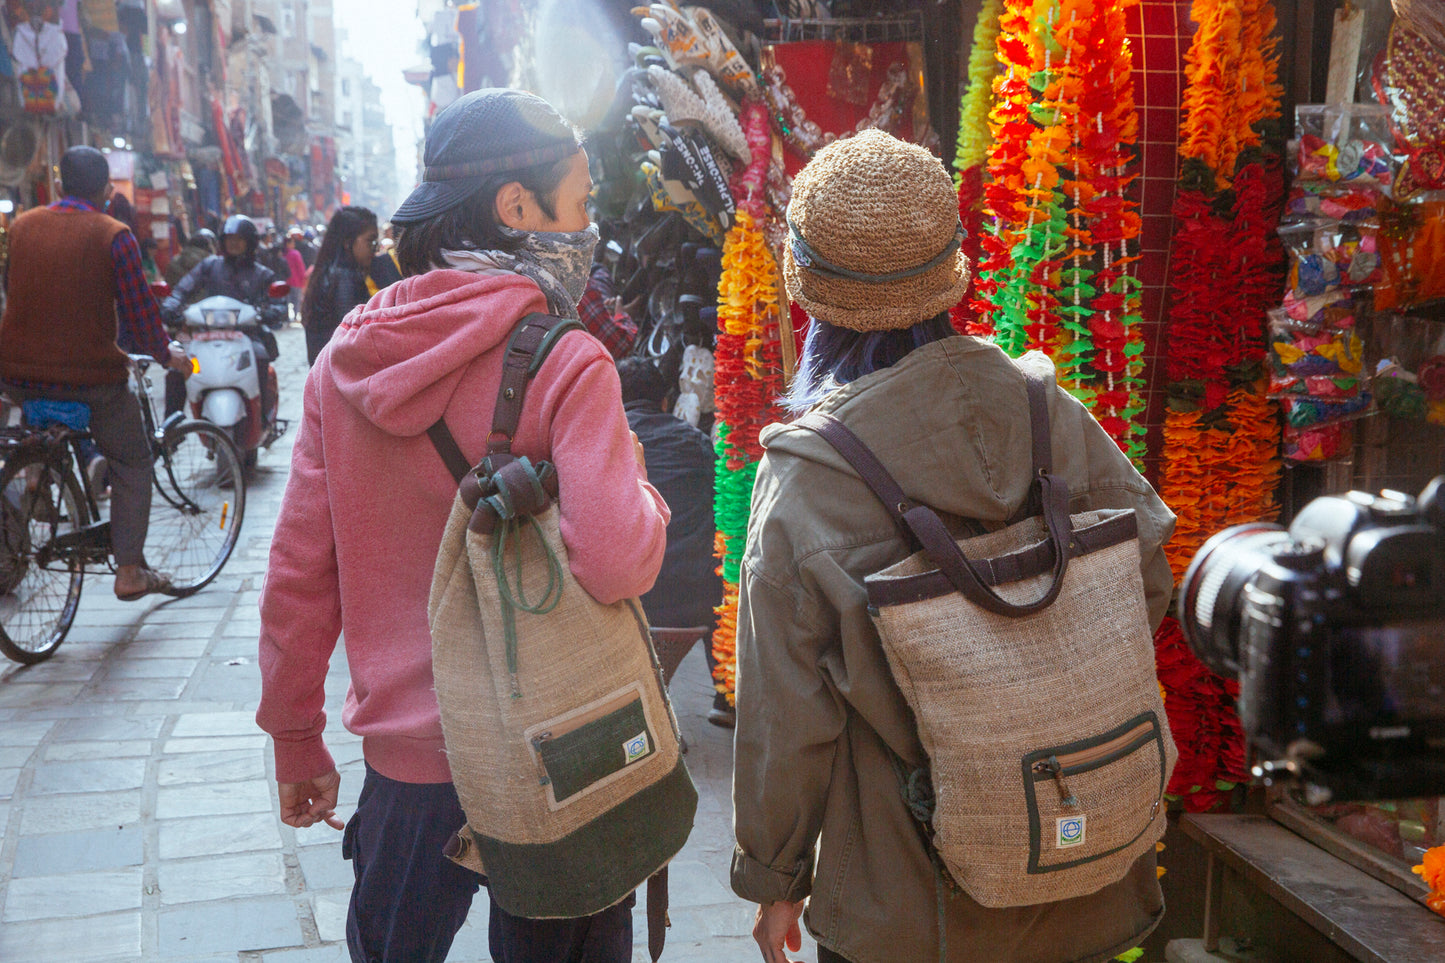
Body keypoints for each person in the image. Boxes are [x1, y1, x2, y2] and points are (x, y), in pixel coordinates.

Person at [729, 130, 1177, 963]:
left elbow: (783, 718)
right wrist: (1035, 681)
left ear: (808, 287)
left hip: (908, 898)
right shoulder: (1050, 412)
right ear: (950, 268)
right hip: (1087, 870)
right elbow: (1145, 581)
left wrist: (775, 877)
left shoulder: (810, 478)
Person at [255, 88, 669, 963]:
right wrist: (637, 480)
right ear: (518, 208)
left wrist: (297, 734)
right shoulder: (565, 359)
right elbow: (618, 560)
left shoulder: (343, 364)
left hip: (408, 773)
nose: (589, 225)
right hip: (558, 752)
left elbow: (300, 567)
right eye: (581, 201)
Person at [0, 145, 189, 601]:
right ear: (106, 191)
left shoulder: (22, 226)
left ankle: (33, 476)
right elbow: (141, 315)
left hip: (16, 374)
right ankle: (129, 572)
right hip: (90, 378)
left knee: (29, 428)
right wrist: (170, 357)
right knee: (132, 460)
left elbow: (16, 291)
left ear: (60, 186)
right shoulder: (113, 234)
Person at [616, 355, 730, 725]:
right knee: (723, 576)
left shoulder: (606, 442)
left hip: (633, 596)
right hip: (694, 597)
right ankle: (727, 696)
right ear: (665, 401)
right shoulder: (696, 441)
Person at [162, 213, 281, 419]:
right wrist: (171, 305)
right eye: (229, 239)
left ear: (250, 242)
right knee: (177, 363)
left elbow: (277, 303)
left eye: (239, 239)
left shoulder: (262, 274)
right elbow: (182, 289)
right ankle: (172, 422)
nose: (233, 244)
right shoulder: (210, 265)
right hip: (204, 333)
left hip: (247, 334)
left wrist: (270, 312)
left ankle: (262, 416)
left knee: (260, 357)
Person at [299, 205, 376, 364]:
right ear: (348, 243)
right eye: (370, 241)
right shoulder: (344, 277)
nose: (373, 249)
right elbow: (352, 336)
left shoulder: (326, 271)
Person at [283, 227, 307, 322]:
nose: (294, 244)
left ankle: (287, 318)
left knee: (287, 300)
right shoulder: (295, 253)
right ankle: (296, 316)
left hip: (286, 281)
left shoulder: (283, 254)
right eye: (292, 242)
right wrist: (303, 278)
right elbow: (300, 267)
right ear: (288, 244)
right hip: (296, 281)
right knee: (296, 300)